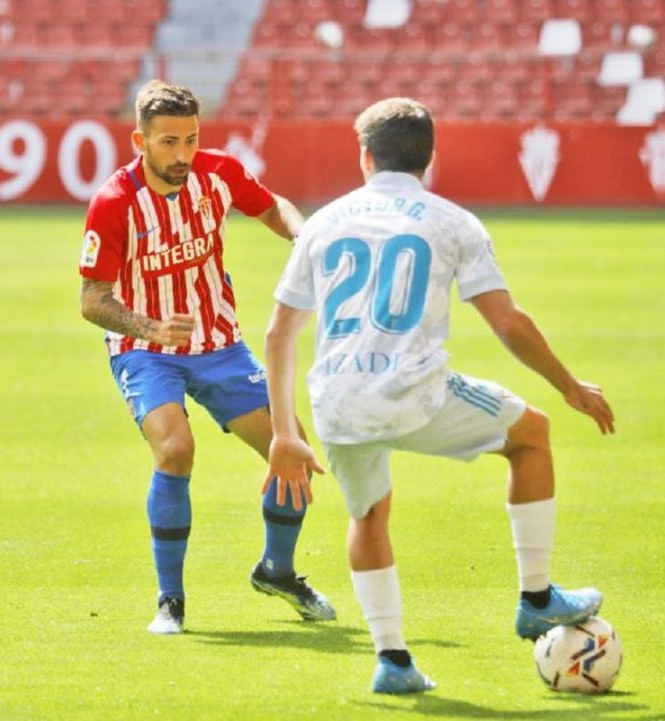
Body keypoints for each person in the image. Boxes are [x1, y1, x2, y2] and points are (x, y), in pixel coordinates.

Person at [262, 98, 615, 693]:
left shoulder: (323, 222)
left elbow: (278, 334)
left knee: (369, 514)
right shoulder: (451, 221)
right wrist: (570, 385)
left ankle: (393, 662)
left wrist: (283, 434)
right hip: (415, 392)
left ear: (365, 156)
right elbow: (508, 323)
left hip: (338, 401)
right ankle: (535, 598)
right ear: (430, 158)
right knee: (532, 435)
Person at [78, 80, 335, 635]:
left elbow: (272, 208)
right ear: (138, 141)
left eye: (191, 139)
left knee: (291, 455)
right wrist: (149, 326)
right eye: (169, 142)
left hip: (219, 344)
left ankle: (278, 571)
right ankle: (170, 601)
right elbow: (92, 301)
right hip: (146, 350)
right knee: (175, 450)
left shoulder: (218, 174)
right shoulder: (114, 203)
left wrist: (303, 237)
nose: (183, 155)